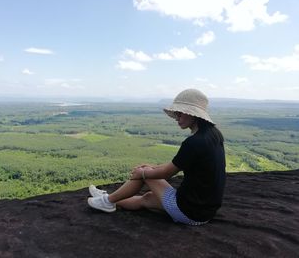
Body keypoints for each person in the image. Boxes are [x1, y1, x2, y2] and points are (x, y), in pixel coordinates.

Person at [87, 89, 226, 225]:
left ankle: (107, 201)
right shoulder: (213, 134)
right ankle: (107, 199)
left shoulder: (194, 142)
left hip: (188, 211)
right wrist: (151, 168)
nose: (177, 118)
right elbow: (176, 164)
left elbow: (167, 173)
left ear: (193, 114)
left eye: (180, 113)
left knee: (146, 175)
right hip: (205, 212)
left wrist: (143, 172)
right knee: (146, 198)